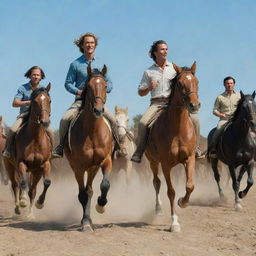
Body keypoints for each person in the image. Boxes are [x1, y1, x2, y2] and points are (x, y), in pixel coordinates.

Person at [52, 32, 127, 158]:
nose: (89, 45)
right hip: (80, 101)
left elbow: (110, 83)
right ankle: (60, 147)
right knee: (65, 119)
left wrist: (103, 89)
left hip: (98, 101)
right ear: (82, 45)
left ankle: (119, 147)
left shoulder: (102, 64)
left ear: (95, 45)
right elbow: (68, 83)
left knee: (113, 120)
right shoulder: (75, 64)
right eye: (87, 42)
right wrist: (78, 91)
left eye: (92, 42)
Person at [131, 40, 202, 163]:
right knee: (142, 123)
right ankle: (140, 150)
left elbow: (185, 82)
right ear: (155, 52)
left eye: (166, 49)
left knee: (196, 121)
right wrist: (149, 88)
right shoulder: (148, 72)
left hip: (173, 104)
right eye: (162, 49)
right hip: (156, 103)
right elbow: (140, 92)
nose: (165, 51)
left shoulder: (174, 69)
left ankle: (196, 148)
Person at [3, 66, 48, 158]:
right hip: (24, 115)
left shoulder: (44, 89)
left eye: (38, 75)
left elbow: (46, 102)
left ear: (41, 76)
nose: (36, 76)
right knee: (12, 130)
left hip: (40, 117)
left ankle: (52, 152)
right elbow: (15, 103)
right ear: (30, 76)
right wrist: (29, 102)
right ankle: (7, 150)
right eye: (34, 74)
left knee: (50, 132)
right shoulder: (23, 88)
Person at [209, 76, 241, 158]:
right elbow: (214, 110)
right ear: (224, 85)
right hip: (224, 120)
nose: (229, 85)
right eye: (227, 83)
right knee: (218, 129)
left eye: (231, 83)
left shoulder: (239, 96)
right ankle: (214, 150)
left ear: (234, 84)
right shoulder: (220, 97)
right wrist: (221, 115)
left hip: (237, 119)